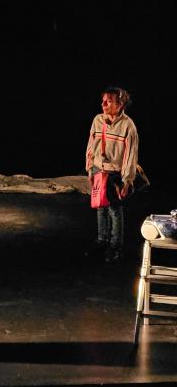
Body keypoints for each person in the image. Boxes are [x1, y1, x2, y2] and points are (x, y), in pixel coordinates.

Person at [85, 86, 139, 263]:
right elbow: (91, 145)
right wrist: (90, 168)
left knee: (114, 210)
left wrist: (127, 181)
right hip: (98, 169)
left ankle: (116, 247)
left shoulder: (128, 126)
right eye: (103, 101)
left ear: (120, 104)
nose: (103, 104)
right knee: (100, 206)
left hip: (115, 173)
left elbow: (130, 156)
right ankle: (102, 240)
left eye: (108, 102)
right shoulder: (98, 120)